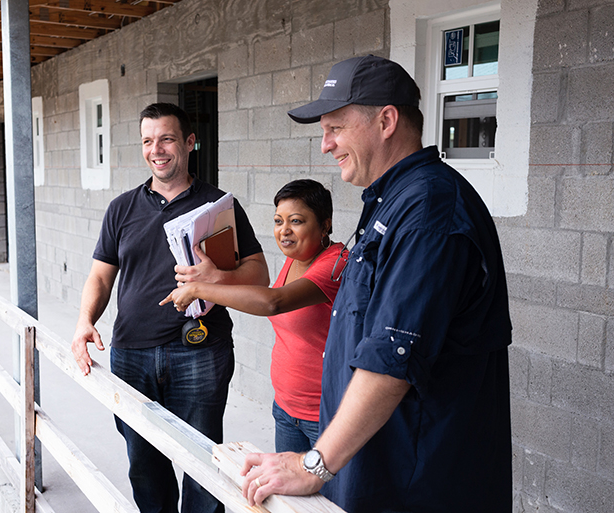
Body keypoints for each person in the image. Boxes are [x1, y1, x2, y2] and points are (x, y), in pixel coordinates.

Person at [239, 55, 512, 513]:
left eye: (336, 128)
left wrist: (313, 465)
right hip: (377, 469)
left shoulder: (429, 211)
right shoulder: (392, 201)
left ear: (386, 120)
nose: (325, 145)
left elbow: (391, 359)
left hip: (416, 485)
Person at [71, 103, 269, 513]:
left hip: (200, 351)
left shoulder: (218, 206)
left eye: (166, 139)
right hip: (132, 354)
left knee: (203, 463)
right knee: (143, 465)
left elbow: (258, 274)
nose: (156, 149)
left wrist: (217, 278)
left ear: (189, 143)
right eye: (147, 140)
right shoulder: (122, 208)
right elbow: (101, 277)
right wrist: (84, 321)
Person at [161, 179, 344, 453]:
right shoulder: (296, 258)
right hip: (286, 408)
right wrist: (217, 280)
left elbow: (273, 302)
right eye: (278, 221)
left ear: (325, 224)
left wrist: (201, 289)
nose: (284, 231)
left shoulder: (336, 263)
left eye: (296, 221)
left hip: (324, 413)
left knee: (328, 496)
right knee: (289, 495)